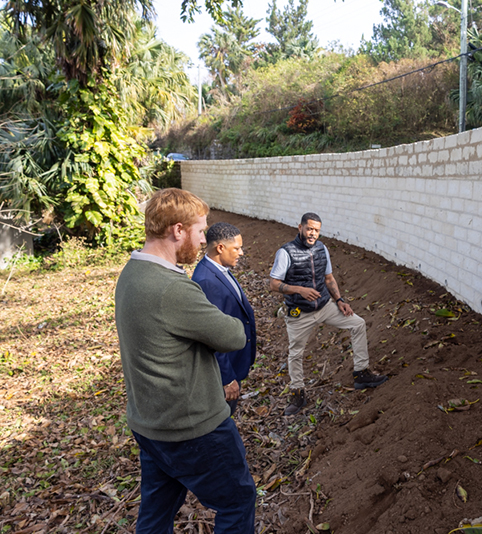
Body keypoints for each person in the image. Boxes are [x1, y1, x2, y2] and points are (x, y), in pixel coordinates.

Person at [115, 188, 256, 533]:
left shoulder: (131, 273)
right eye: (201, 231)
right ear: (178, 230)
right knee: (237, 502)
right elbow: (233, 336)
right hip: (193, 429)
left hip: (150, 425)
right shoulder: (172, 288)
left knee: (156, 514)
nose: (204, 239)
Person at [269, 212, 388, 416]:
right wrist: (299, 290)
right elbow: (273, 284)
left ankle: (361, 374)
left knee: (358, 324)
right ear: (300, 227)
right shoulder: (285, 252)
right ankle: (298, 393)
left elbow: (329, 278)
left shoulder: (322, 249)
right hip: (300, 313)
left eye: (316, 230)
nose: (312, 233)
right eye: (309, 229)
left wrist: (340, 301)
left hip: (325, 307)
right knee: (295, 353)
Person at [192, 222, 257, 416]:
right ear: (220, 248)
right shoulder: (206, 281)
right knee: (222, 420)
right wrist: (227, 379)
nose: (241, 253)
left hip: (234, 363)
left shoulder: (219, 270)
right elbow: (211, 334)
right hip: (224, 373)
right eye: (236, 248)